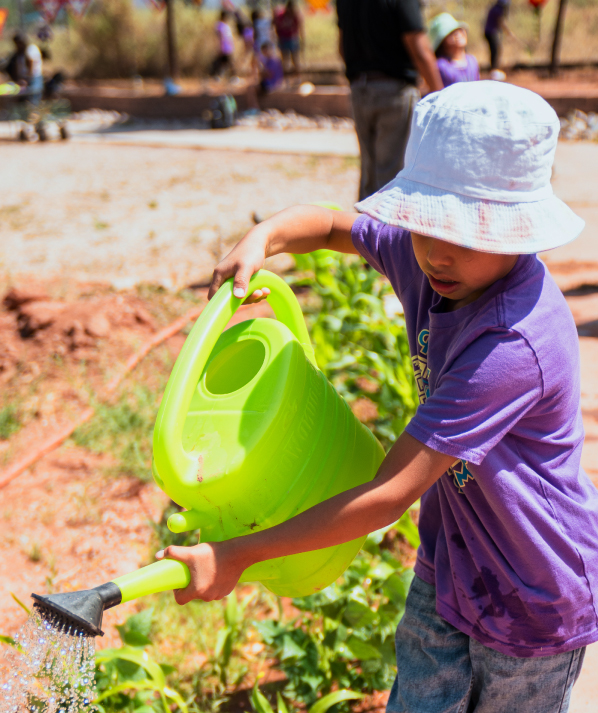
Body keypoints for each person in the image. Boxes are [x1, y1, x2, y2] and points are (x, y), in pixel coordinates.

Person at [158, 81, 597, 712]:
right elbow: (336, 224)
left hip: (533, 598)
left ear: (519, 231)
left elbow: (387, 494)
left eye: (466, 236)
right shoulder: (430, 259)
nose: (438, 253)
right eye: (425, 225)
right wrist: (266, 237)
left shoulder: (512, 345)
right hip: (454, 562)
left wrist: (235, 555)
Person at [336, 0, 443, 201]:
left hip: (360, 89)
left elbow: (342, 48)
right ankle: (384, 230)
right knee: (392, 175)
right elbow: (420, 50)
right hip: (394, 92)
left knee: (370, 172)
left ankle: (364, 228)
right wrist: (441, 97)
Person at [429, 13, 480, 87]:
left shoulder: (472, 61)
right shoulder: (441, 66)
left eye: (459, 30)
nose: (457, 34)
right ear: (441, 42)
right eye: (450, 33)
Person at [6, 32, 43, 104]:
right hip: (23, 80)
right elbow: (17, 67)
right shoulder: (19, 53)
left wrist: (26, 80)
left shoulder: (31, 49)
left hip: (33, 79)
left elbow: (31, 67)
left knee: (33, 101)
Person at [484, 0, 516, 80]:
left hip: (490, 32)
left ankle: (494, 70)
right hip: (491, 32)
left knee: (496, 50)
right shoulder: (498, 10)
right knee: (495, 51)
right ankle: (493, 71)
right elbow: (501, 22)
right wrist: (509, 33)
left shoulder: (495, 8)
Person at [273, 0, 304, 75]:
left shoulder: (295, 15)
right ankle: (286, 79)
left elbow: (300, 27)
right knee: (285, 60)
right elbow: (276, 27)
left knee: (295, 59)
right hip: (283, 39)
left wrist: (302, 39)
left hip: (293, 39)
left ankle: (297, 78)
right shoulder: (281, 16)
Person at [211, 11, 235, 78]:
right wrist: (220, 46)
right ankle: (233, 76)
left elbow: (229, 37)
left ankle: (217, 75)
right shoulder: (219, 25)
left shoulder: (226, 25)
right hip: (224, 47)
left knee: (223, 62)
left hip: (228, 46)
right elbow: (219, 36)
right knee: (230, 62)